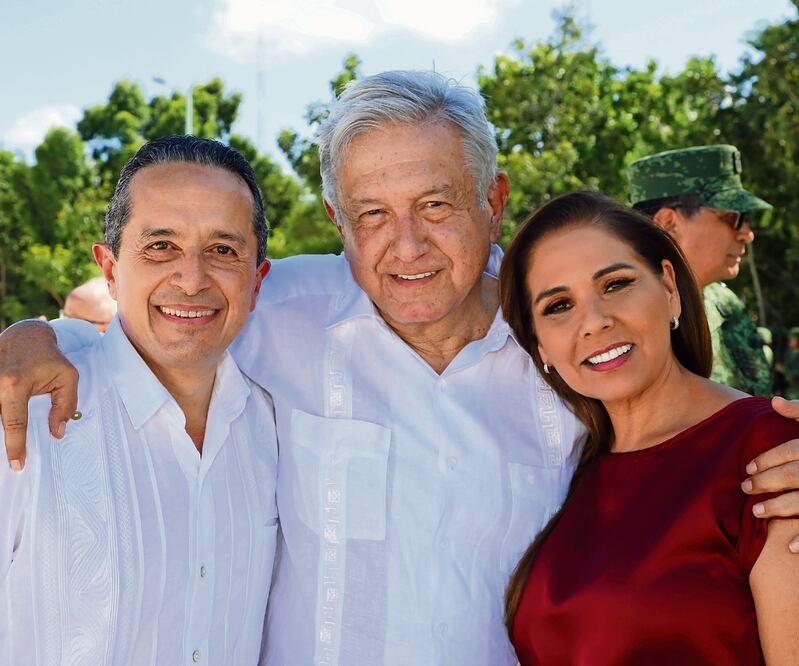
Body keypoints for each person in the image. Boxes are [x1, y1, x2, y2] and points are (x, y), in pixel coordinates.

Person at [2, 73, 799, 664]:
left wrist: (770, 441)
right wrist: (27, 338)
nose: (406, 246)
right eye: (373, 215)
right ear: (335, 223)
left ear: (493, 198)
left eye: (436, 205)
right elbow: (141, 320)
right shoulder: (274, 310)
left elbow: (682, 425)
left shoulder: (560, 342)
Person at [0, 136, 279, 665]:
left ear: (257, 279)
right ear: (109, 269)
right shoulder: (23, 415)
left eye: (223, 250)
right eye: (160, 246)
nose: (191, 279)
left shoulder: (275, 423)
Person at [500, 191, 799, 664]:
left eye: (615, 284)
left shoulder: (771, 453)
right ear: (540, 348)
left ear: (669, 287)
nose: (594, 322)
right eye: (558, 306)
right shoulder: (566, 473)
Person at [629, 145, 773, 396]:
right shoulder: (628, 321)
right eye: (733, 216)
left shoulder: (726, 304)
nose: (747, 234)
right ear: (669, 224)